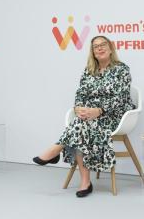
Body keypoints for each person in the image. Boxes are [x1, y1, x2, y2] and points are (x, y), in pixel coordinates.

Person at [33, 35, 135, 198]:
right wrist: (78, 107)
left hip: (113, 115)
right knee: (82, 124)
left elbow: (120, 98)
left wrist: (99, 110)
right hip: (89, 116)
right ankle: (84, 181)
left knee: (81, 125)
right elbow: (80, 94)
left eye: (103, 45)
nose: (100, 48)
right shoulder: (89, 70)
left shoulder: (121, 69)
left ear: (110, 49)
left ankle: (57, 149)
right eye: (96, 46)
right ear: (93, 52)